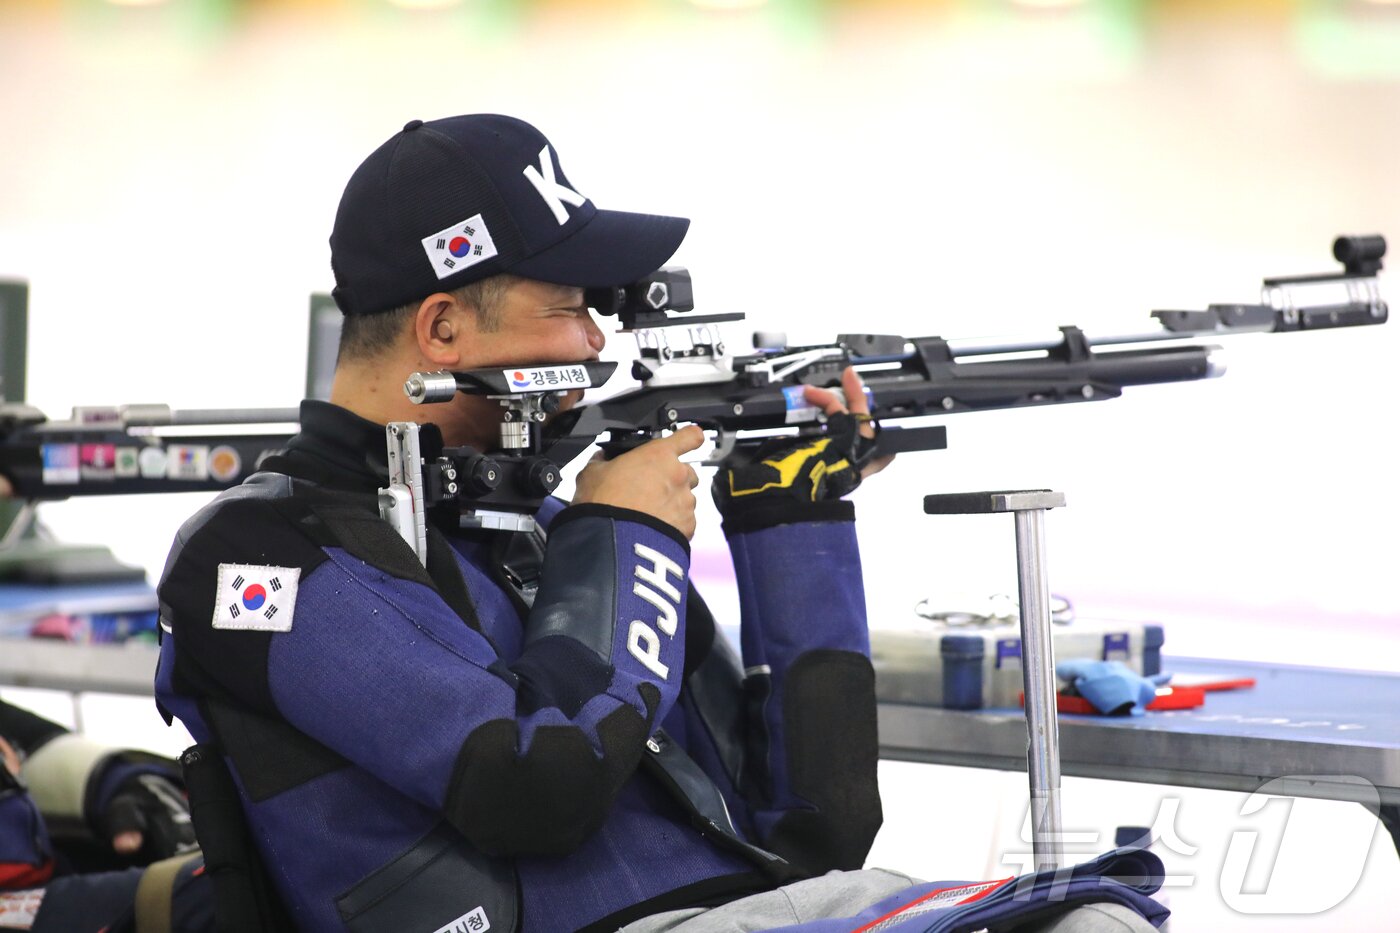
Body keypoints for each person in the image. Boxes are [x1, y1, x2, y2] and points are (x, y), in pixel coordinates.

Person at [153, 115, 1166, 932]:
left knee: (1099, 923)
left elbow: (817, 829)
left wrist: (790, 519)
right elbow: (534, 784)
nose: (599, 341)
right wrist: (622, 540)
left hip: (763, 913)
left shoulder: (537, 522)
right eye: (571, 305)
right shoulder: (253, 560)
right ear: (443, 326)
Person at [0, 698, 211, 932]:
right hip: (28, 901)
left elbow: (36, 739)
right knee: (217, 889)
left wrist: (114, 780)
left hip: (45, 879)